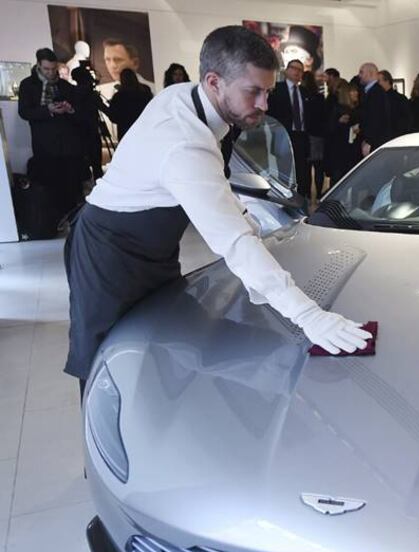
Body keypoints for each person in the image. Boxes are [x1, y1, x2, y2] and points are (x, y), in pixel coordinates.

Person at [63, 26, 371, 391]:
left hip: (152, 247)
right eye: (253, 92)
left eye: (268, 91)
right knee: (107, 368)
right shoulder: (183, 145)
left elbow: (216, 192)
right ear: (214, 81)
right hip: (109, 255)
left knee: (160, 347)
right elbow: (235, 245)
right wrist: (310, 316)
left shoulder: (185, 95)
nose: (264, 105)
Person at [18, 47, 86, 217]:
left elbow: (79, 113)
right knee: (49, 183)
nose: (50, 73)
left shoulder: (64, 86)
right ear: (38, 65)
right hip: (44, 144)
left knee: (70, 184)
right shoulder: (28, 85)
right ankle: (54, 219)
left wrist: (69, 109)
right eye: (46, 69)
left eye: (53, 69)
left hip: (68, 144)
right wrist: (47, 110)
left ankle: (70, 217)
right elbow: (24, 112)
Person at [268, 58, 315, 199]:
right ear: (287, 70)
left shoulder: (304, 92)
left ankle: (302, 198)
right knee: (284, 170)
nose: (297, 72)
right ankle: (284, 197)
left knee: (302, 170)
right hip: (283, 135)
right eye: (294, 68)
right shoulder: (276, 89)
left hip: (301, 136)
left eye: (300, 70)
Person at [70, 64, 107, 179]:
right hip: (92, 133)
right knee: (97, 168)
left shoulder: (72, 93)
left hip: (77, 135)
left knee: (82, 168)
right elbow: (107, 111)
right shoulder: (92, 95)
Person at [324, 83, 362, 185]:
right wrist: (339, 122)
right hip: (339, 152)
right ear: (346, 93)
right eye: (353, 91)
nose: (356, 93)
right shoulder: (338, 109)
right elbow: (329, 130)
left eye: (356, 91)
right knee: (338, 181)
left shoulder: (357, 109)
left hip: (353, 151)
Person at [105, 68, 154, 141]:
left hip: (126, 131)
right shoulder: (145, 90)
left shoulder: (119, 96)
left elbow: (113, 117)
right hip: (143, 128)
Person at [357, 62, 393, 157]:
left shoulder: (376, 93)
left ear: (370, 73)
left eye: (361, 72)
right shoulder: (372, 92)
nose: (359, 75)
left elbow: (376, 118)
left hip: (375, 143)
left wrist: (369, 141)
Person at [302, 70, 328, 198]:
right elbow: (323, 116)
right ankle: (318, 195)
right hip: (319, 136)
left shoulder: (302, 96)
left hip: (306, 136)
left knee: (306, 168)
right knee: (319, 168)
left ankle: (306, 194)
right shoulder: (319, 97)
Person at [378, 69, 412, 139]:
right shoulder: (401, 98)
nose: (377, 84)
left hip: (396, 137)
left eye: (379, 81)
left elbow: (407, 120)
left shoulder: (400, 99)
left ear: (387, 81)